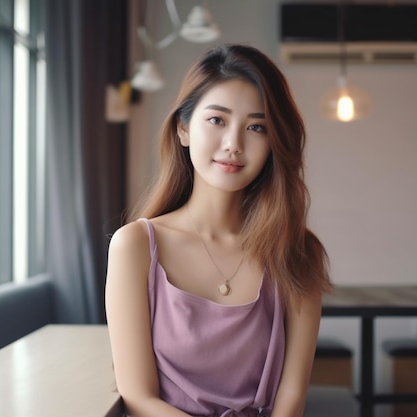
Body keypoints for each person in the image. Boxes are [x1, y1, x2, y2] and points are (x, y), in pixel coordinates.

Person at [105, 43, 333, 417]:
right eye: (217, 120)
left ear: (274, 144)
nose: (233, 145)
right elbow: (139, 398)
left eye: (256, 127)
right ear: (183, 129)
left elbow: (291, 400)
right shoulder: (135, 245)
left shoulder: (298, 252)